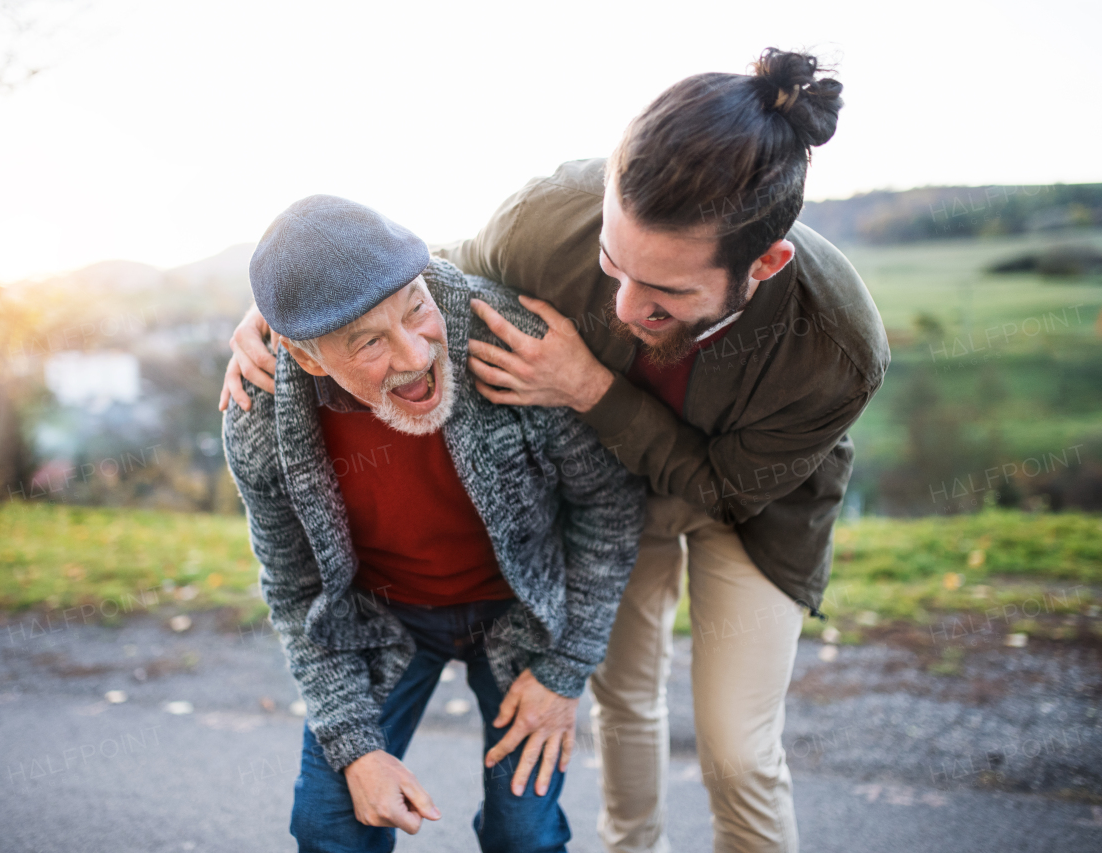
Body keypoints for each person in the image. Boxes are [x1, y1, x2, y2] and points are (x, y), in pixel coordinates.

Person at [222, 50, 890, 853]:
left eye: (667, 292)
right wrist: (276, 317)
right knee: (625, 699)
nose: (625, 304)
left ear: (764, 265)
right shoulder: (547, 219)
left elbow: (719, 491)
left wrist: (589, 388)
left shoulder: (836, 348)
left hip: (744, 500)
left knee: (736, 751)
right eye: (613, 265)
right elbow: (424, 274)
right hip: (585, 485)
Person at [222, 194, 644, 853]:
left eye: (416, 308)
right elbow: (295, 592)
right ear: (307, 358)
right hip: (380, 617)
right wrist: (357, 746)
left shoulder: (501, 329)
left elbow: (609, 504)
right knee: (330, 828)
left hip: (518, 608)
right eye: (369, 343)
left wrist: (563, 669)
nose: (415, 354)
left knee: (525, 836)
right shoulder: (259, 422)